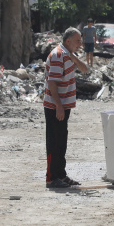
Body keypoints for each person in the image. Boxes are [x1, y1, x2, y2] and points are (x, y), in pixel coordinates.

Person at [44, 27, 89, 188]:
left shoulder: (67, 55)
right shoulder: (58, 55)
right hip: (56, 106)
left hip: (63, 105)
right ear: (68, 41)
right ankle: (51, 177)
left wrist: (73, 57)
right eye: (78, 41)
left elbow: (85, 69)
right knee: (54, 141)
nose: (80, 44)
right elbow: (52, 83)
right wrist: (59, 106)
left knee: (61, 141)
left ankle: (60, 175)